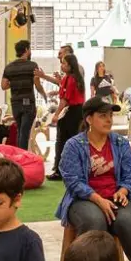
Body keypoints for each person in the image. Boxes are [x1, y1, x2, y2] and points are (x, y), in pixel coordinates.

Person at [57, 98, 131, 261]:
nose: (108, 120)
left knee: (126, 220)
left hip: (115, 198)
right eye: (103, 116)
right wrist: (98, 199)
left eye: (110, 115)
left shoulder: (120, 143)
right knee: (94, 220)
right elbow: (72, 181)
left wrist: (124, 190)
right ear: (89, 119)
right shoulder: (74, 145)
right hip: (83, 199)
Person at [1, 39, 46, 150]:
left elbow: (4, 86)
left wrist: (15, 82)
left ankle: (19, 155)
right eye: (30, 49)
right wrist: (44, 94)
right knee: (24, 132)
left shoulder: (9, 67)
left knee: (20, 130)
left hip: (15, 103)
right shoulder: (32, 65)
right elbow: (37, 84)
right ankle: (22, 157)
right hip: (28, 103)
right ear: (26, 50)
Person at [49, 53, 86, 181]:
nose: (62, 65)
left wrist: (56, 114)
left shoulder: (69, 79)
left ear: (70, 66)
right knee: (75, 140)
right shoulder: (78, 78)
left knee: (62, 141)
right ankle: (75, 170)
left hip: (69, 112)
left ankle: (59, 171)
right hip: (79, 112)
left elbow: (64, 99)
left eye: (64, 63)